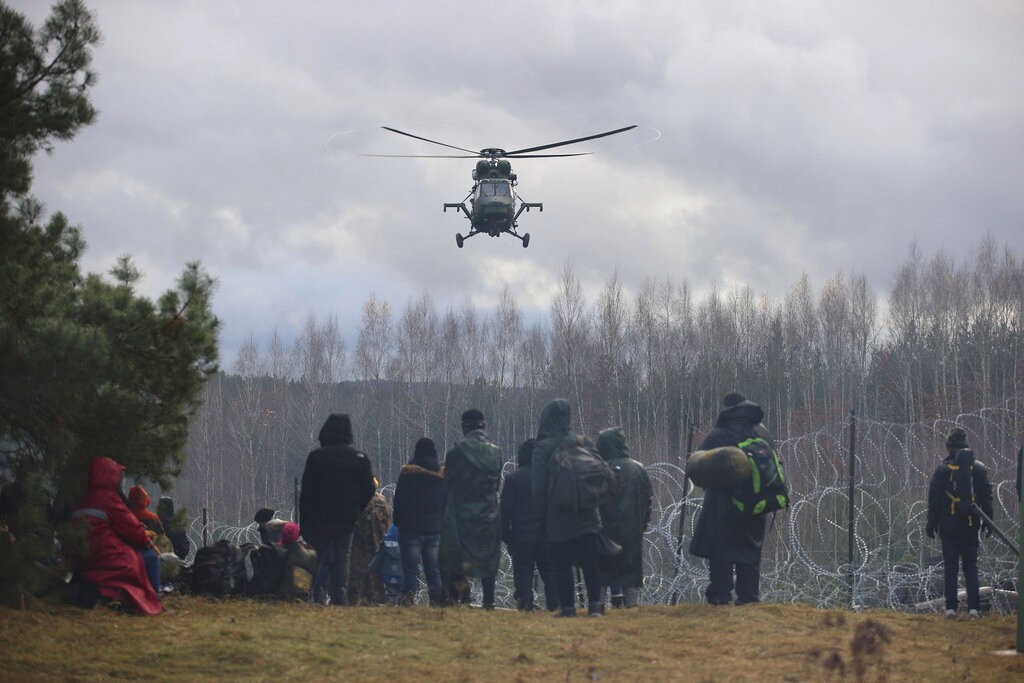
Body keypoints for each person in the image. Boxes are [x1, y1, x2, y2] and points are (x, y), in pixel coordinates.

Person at [688, 392, 774, 605]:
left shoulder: (720, 433)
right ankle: (749, 597)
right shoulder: (762, 433)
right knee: (750, 550)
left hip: (722, 503)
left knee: (721, 551)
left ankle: (720, 595)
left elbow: (697, 466)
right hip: (756, 502)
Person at [531, 398, 605, 617]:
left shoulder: (543, 448)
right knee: (590, 561)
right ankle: (595, 606)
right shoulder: (584, 442)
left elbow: (538, 487)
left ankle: (568, 608)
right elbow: (600, 471)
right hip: (587, 512)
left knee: (561, 564)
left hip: (558, 514)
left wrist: (539, 518)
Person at [299, 413, 376, 605]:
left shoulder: (316, 457)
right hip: (346, 519)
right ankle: (339, 596)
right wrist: (356, 508)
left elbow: (307, 491)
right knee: (343, 559)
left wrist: (305, 519)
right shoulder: (359, 458)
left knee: (316, 557)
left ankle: (314, 594)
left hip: (320, 519)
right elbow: (369, 488)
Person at [69, 457, 162, 615]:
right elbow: (132, 528)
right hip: (108, 556)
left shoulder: (84, 500)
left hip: (84, 559)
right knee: (151, 558)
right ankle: (153, 600)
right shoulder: (109, 499)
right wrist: (147, 542)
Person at [926, 427, 994, 618]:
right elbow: (986, 497)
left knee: (950, 567)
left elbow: (934, 501)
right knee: (970, 566)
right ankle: (974, 608)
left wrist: (931, 524)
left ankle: (950, 609)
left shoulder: (942, 470)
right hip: (970, 523)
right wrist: (988, 520)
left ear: (949, 447)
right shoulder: (978, 469)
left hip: (948, 525)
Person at [439, 410, 502, 609]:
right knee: (488, 557)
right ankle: (489, 601)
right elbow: (496, 484)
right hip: (488, 513)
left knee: (455, 556)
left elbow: (447, 482)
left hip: (460, 514)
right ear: (483, 426)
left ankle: (456, 599)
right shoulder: (496, 452)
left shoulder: (456, 452)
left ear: (464, 427)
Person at [596, 427, 653, 608]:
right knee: (630, 572)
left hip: (604, 529)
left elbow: (592, 500)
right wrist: (641, 525)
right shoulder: (637, 469)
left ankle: (597, 608)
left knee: (601, 571)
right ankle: (632, 609)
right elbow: (647, 500)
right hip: (632, 529)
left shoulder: (600, 470)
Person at [500, 438, 558, 611]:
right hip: (547, 534)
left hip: (522, 535)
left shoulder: (513, 478)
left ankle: (525, 607)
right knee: (550, 574)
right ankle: (555, 608)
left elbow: (505, 512)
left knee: (523, 574)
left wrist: (507, 537)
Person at [392, 437, 447, 606]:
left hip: (411, 530)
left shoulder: (408, 474)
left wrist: (399, 523)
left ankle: (407, 602)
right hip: (434, 530)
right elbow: (445, 502)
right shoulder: (441, 476)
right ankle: (437, 603)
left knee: (410, 571)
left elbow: (399, 502)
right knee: (433, 571)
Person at [348, 481, 392, 604]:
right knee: (377, 585)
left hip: (357, 551)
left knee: (355, 586)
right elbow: (387, 523)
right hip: (377, 547)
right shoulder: (381, 501)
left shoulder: (355, 501)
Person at [126, 484, 165, 593]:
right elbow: (162, 539)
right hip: (152, 554)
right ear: (146, 500)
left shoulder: (126, 517)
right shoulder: (153, 518)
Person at [276, 521, 318, 601]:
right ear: (297, 534)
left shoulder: (275, 550)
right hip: (301, 595)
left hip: (279, 595)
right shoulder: (307, 553)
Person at [369, 523, 404, 605]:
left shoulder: (385, 545)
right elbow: (413, 560)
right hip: (402, 575)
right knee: (402, 593)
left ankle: (390, 605)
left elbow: (376, 561)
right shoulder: (408, 546)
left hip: (387, 575)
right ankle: (401, 607)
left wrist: (372, 567)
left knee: (390, 592)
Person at [156, 495, 190, 560]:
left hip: (156, 562)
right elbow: (184, 548)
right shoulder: (177, 526)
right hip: (174, 562)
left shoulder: (153, 522)